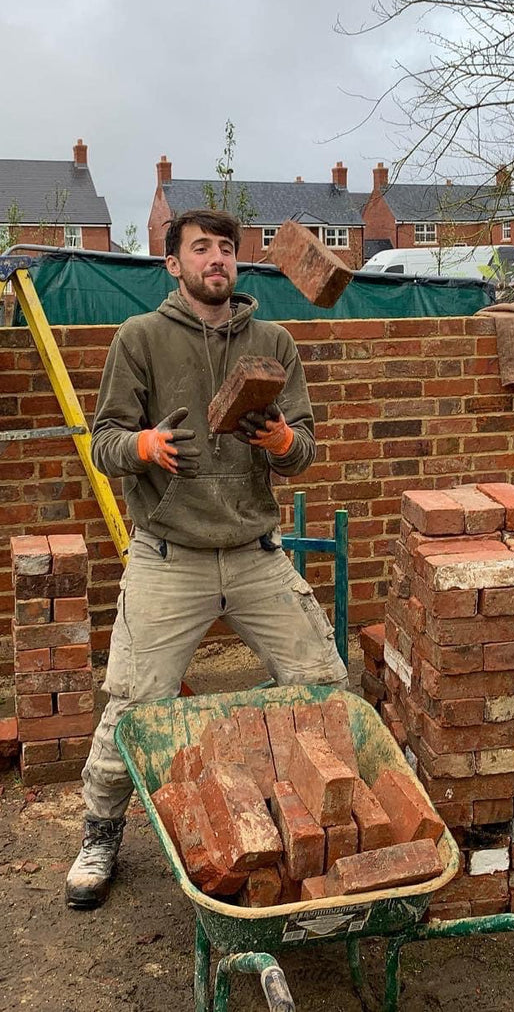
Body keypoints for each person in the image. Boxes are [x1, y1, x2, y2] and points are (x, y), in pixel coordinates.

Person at [65, 208, 348, 910]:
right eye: (200, 248)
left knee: (322, 680)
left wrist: (282, 441)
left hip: (255, 553)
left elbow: (304, 450)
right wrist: (143, 447)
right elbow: (102, 441)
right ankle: (100, 832)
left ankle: (328, 818)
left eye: (225, 247)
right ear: (174, 264)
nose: (216, 258)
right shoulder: (141, 338)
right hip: (170, 555)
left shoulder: (273, 343)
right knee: (135, 703)